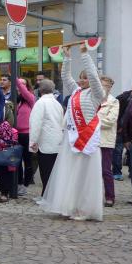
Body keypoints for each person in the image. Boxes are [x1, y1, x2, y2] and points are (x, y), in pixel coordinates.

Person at [39, 46, 107, 221]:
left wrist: (85, 54)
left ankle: (84, 209)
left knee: (84, 177)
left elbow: (94, 77)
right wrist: (67, 57)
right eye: (81, 78)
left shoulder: (97, 94)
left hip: (87, 142)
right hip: (72, 140)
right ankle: (70, 206)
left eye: (85, 78)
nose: (82, 80)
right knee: (71, 175)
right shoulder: (76, 92)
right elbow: (65, 77)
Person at [28, 79, 64, 197]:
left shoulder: (40, 103)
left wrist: (33, 142)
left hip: (45, 142)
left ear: (40, 90)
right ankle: (50, 195)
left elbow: (36, 124)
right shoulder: (57, 103)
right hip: (57, 141)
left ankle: (46, 196)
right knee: (53, 171)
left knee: (45, 171)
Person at [114, 82, 132, 180]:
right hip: (120, 129)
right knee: (118, 151)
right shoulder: (122, 98)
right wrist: (118, 126)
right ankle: (117, 172)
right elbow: (115, 113)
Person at [98, 76, 120, 207]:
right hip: (90, 140)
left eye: (105, 85)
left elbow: (110, 121)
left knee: (106, 170)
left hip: (105, 140)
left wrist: (92, 121)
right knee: (91, 171)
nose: (102, 88)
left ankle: (110, 197)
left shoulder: (114, 102)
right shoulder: (93, 99)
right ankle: (93, 197)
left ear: (110, 87)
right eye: (100, 85)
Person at [14, 78, 35, 191]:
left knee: (27, 160)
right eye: (19, 84)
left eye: (23, 84)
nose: (20, 86)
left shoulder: (30, 98)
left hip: (27, 134)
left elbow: (24, 91)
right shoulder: (17, 100)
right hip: (17, 134)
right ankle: (19, 182)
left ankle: (26, 184)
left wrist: (16, 79)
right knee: (17, 160)